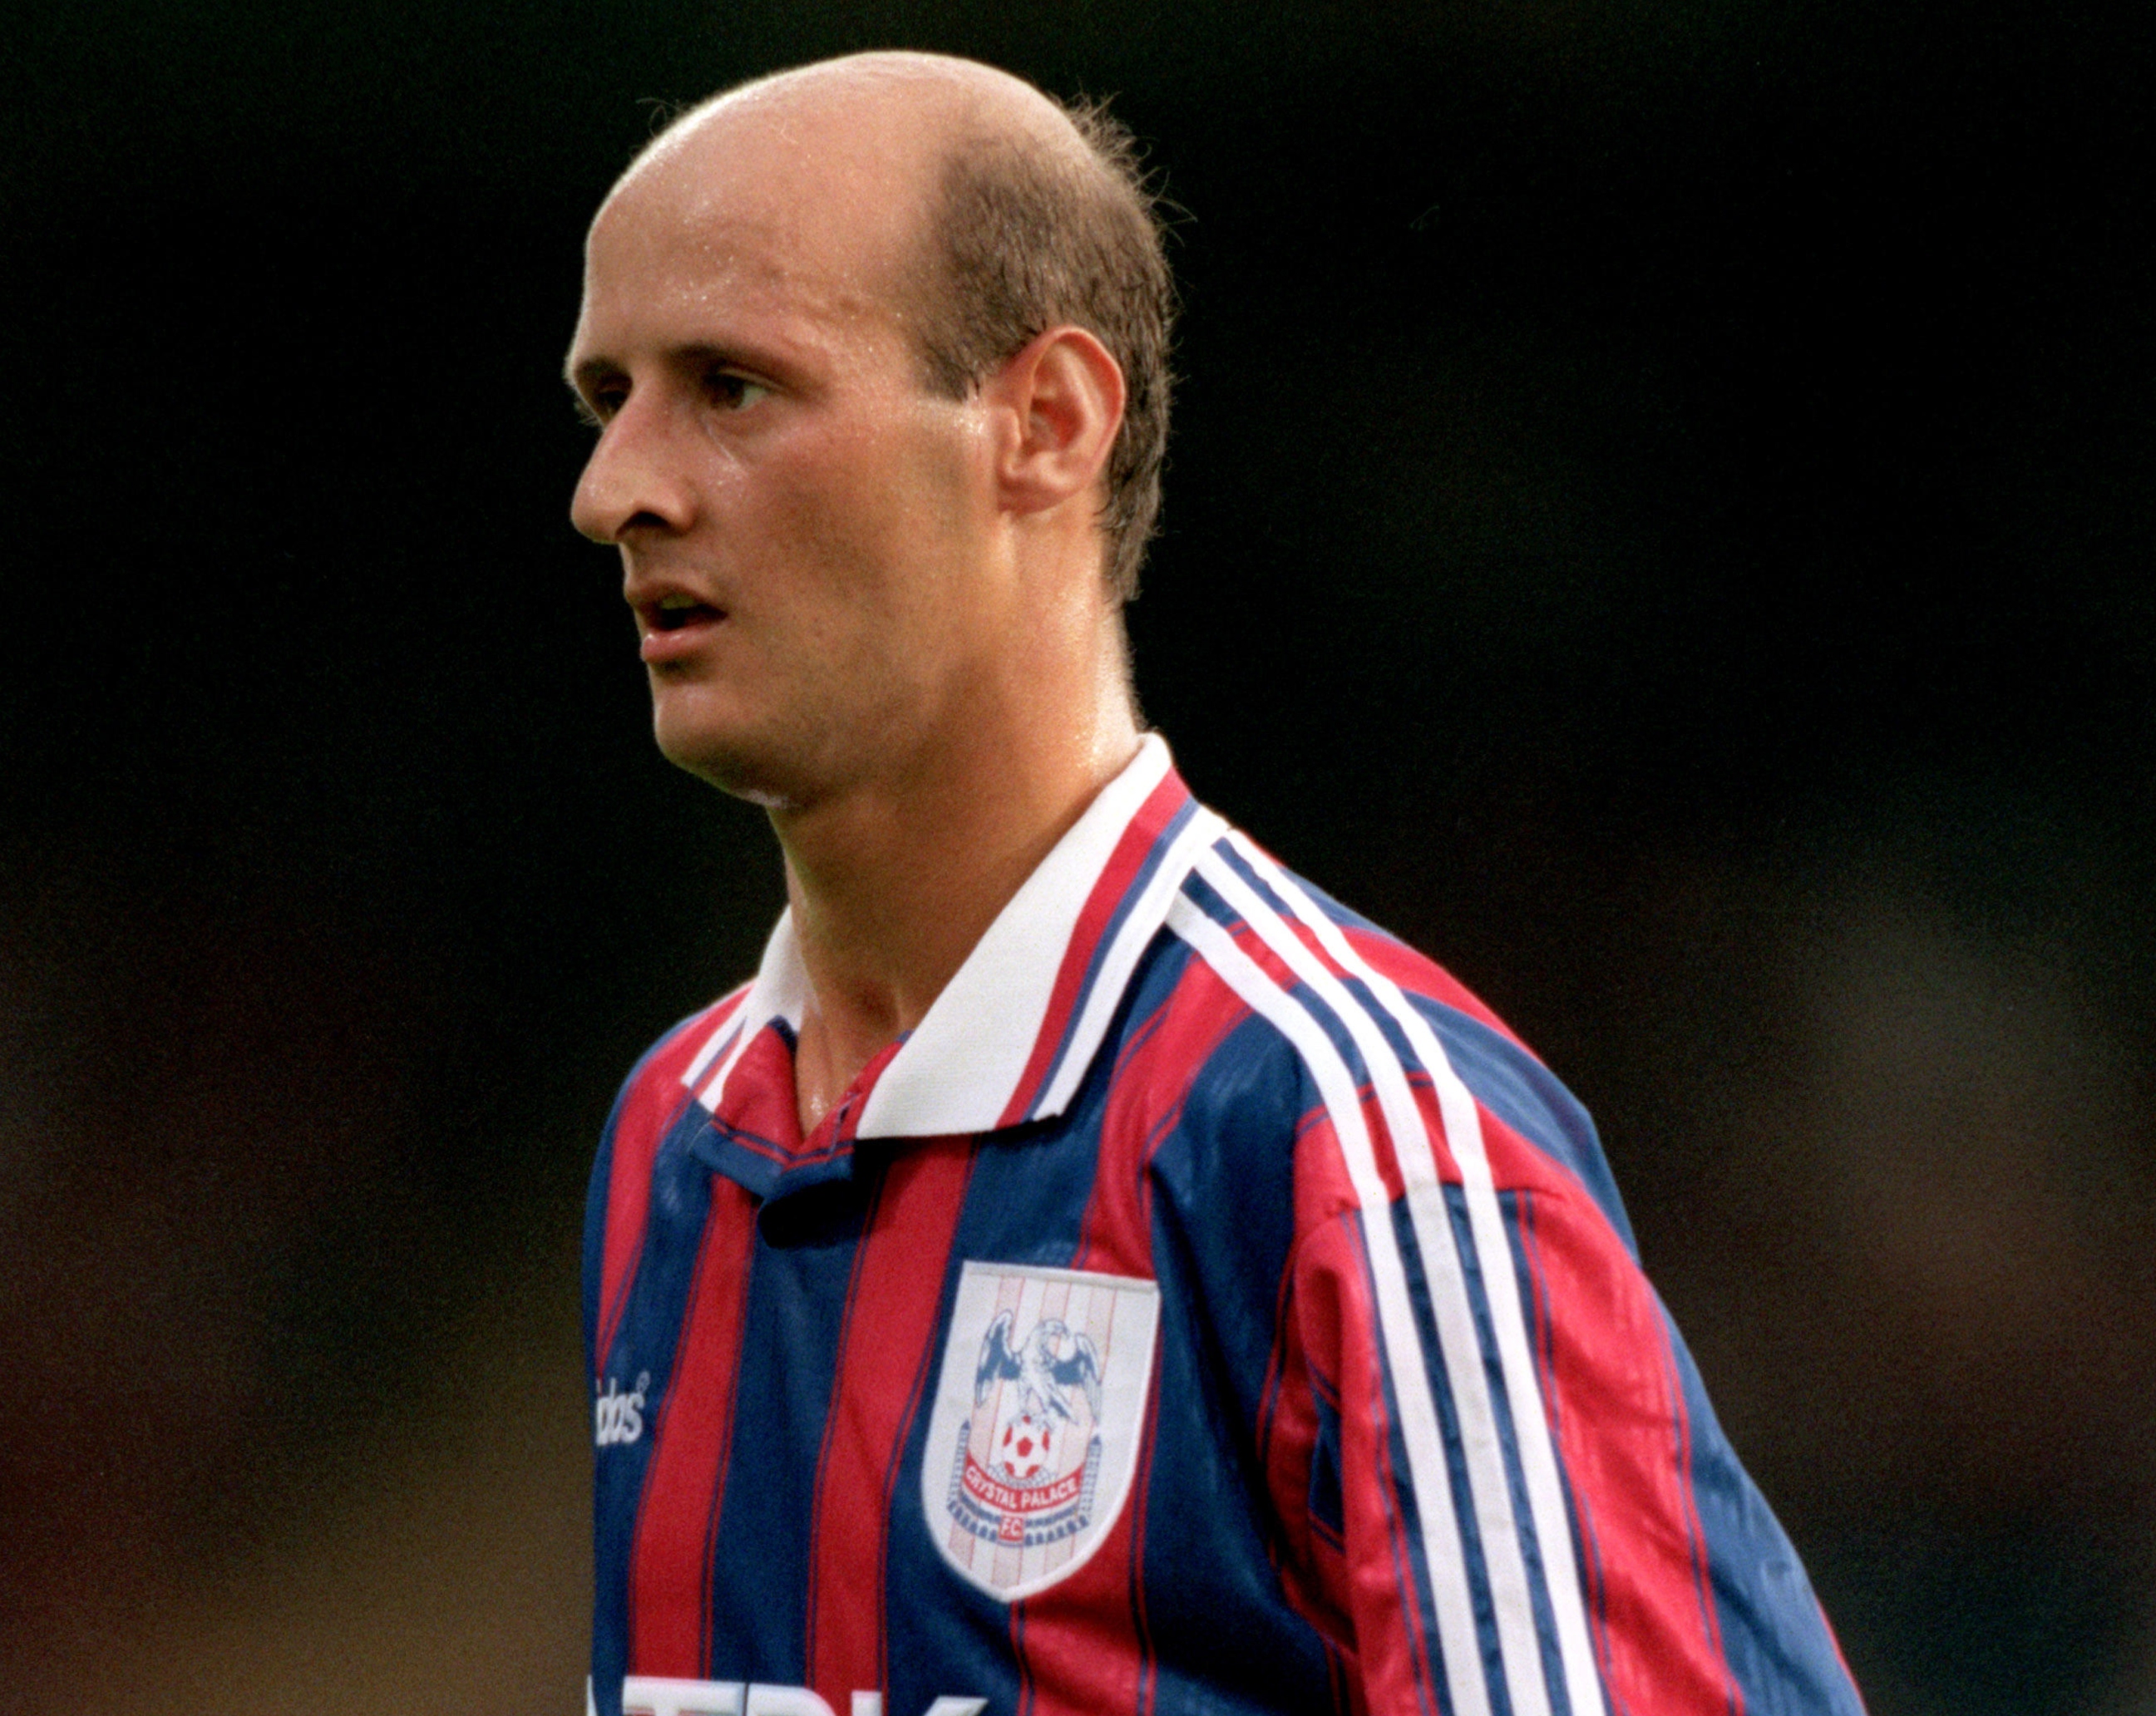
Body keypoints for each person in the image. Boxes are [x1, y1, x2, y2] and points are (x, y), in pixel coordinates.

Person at [565, 49, 1864, 1716]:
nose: (616, 492)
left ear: (1045, 425)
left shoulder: (1347, 1139)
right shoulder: (676, 1136)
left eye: (733, 386)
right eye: (609, 400)